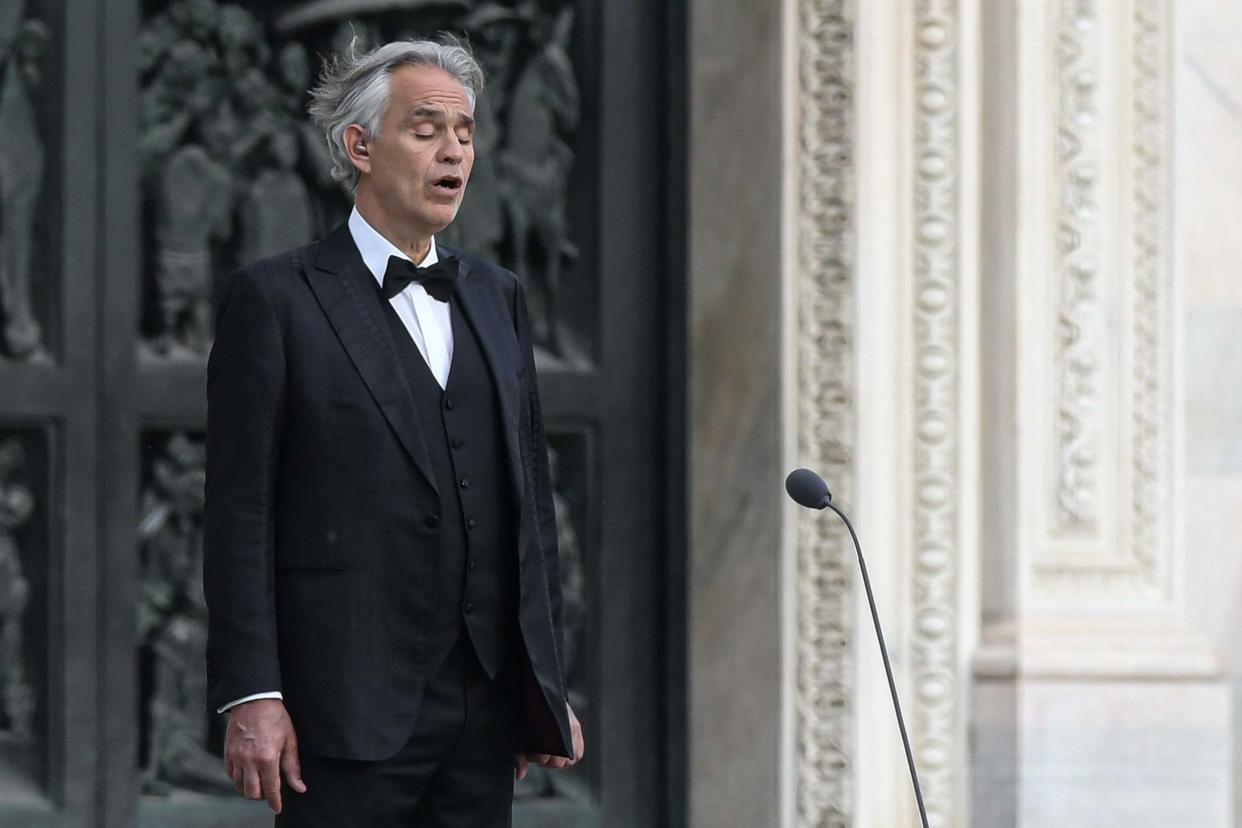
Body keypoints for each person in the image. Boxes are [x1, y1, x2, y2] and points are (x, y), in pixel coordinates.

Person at [203, 36, 583, 827]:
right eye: (427, 129)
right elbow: (239, 515)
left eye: (467, 133)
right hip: (340, 715)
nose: (455, 151)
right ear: (359, 145)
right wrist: (253, 694)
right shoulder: (275, 300)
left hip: (483, 718)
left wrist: (543, 684)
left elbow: (529, 506)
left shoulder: (497, 295)